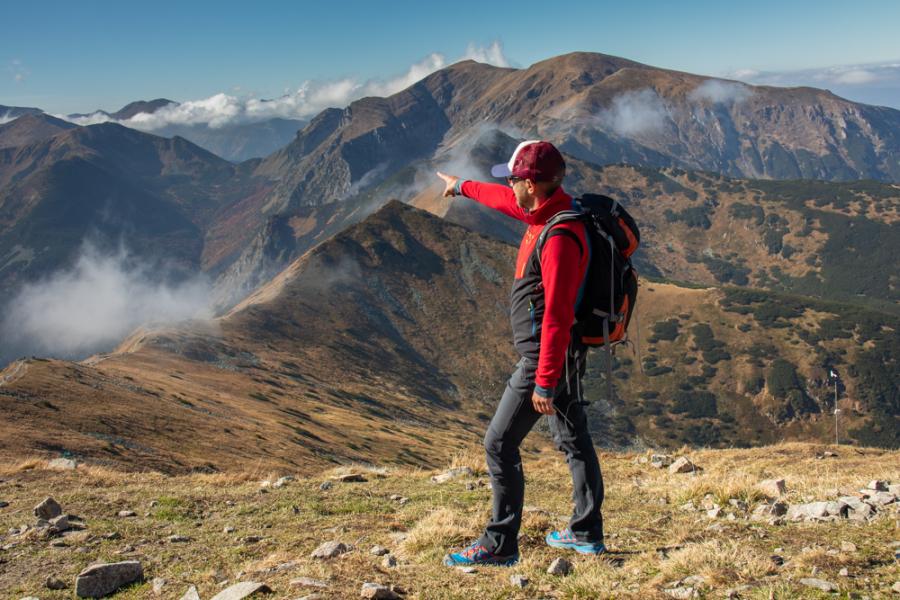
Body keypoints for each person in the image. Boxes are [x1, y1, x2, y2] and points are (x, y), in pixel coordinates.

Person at [436, 140, 606, 567]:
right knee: (573, 438)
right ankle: (585, 533)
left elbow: (557, 316)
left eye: (513, 178)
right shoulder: (547, 213)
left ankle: (499, 545)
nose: (508, 185)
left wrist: (544, 380)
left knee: (498, 444)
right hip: (558, 356)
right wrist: (462, 187)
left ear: (530, 183)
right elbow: (503, 202)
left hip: (544, 359)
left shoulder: (560, 237)